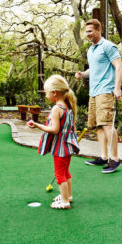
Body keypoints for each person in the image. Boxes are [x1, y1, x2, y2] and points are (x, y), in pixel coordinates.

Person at [75, 18, 122, 174]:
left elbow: (119, 66)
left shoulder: (108, 46)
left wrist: (117, 88)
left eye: (90, 31)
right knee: (98, 126)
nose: (87, 34)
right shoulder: (91, 50)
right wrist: (82, 74)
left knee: (107, 125)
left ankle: (114, 159)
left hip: (105, 91)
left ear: (98, 30)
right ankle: (103, 156)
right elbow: (93, 70)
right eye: (86, 31)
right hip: (93, 92)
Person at [28, 75, 80, 209]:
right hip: (68, 146)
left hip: (60, 148)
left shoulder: (57, 109)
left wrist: (38, 125)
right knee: (66, 172)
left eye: (47, 93)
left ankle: (65, 202)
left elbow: (54, 130)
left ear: (55, 93)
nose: (46, 96)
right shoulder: (68, 107)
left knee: (59, 175)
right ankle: (67, 195)